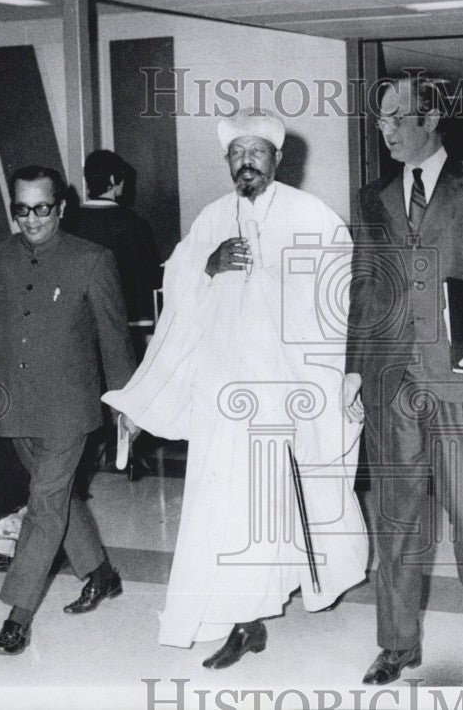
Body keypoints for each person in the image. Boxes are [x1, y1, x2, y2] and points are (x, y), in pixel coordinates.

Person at [104, 109, 367, 669]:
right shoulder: (210, 218)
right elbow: (177, 290)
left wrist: (338, 374)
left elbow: (343, 295)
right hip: (224, 398)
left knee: (286, 504)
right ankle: (244, 620)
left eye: (257, 152)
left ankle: (276, 597)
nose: (246, 163)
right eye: (236, 154)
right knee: (225, 505)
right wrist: (206, 264)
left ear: (277, 158)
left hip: (287, 392)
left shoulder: (311, 215)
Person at [344, 77, 463, 685]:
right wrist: (353, 368)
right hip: (392, 377)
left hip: (460, 374)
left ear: (433, 116)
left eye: (398, 119)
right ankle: (397, 642)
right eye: (381, 121)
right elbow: (365, 287)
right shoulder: (373, 197)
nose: (387, 130)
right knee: (394, 514)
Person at [0, 165, 136, 656]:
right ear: (13, 210)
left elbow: (114, 342)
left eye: (43, 208)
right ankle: (101, 574)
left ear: (61, 207)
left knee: (42, 504)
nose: (33, 219)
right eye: (23, 209)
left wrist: (127, 405)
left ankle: (17, 616)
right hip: (14, 399)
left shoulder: (93, 260)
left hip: (69, 406)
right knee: (55, 496)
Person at [69, 150, 162, 323]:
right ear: (113, 179)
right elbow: (151, 277)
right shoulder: (133, 223)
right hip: (127, 320)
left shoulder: (70, 223)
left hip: (82, 321)